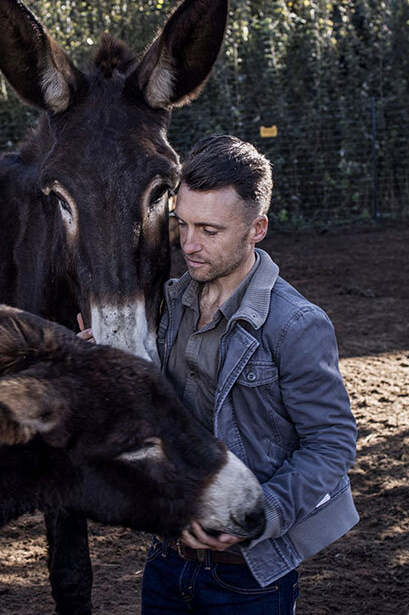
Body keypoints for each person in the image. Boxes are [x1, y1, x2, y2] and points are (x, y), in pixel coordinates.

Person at [81, 134, 358, 613]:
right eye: (181, 224)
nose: (188, 244)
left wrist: (253, 514)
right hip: (166, 560)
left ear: (257, 229)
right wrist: (104, 363)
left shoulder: (296, 325)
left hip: (250, 579)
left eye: (210, 231)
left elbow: (332, 444)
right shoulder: (166, 305)